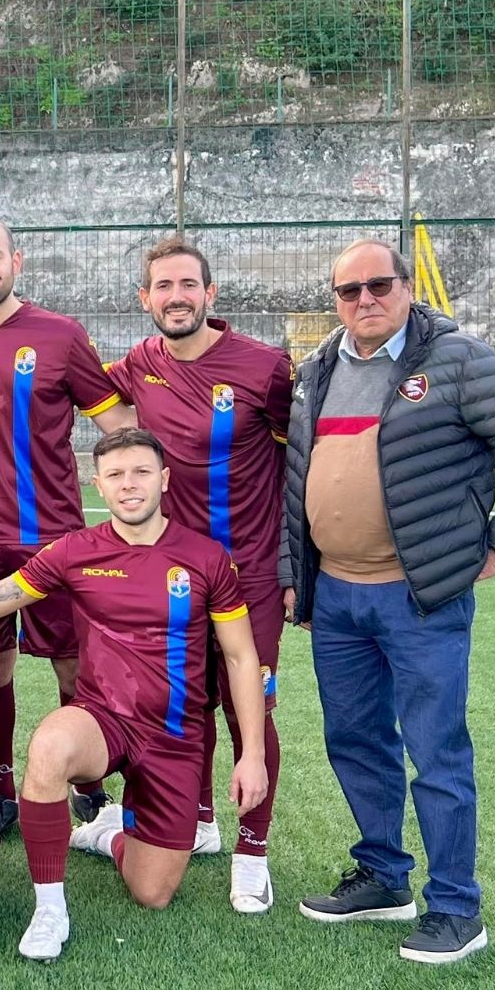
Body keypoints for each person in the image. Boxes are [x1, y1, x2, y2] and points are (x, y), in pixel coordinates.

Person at [284, 239, 495, 964]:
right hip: (339, 598)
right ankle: (383, 877)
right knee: (354, 741)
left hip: (420, 600)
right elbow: (297, 482)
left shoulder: (458, 361)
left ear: (407, 287)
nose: (364, 300)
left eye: (378, 285)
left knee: (436, 752)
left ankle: (456, 909)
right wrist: (301, 572)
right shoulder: (317, 371)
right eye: (348, 291)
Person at [0, 427, 267, 961]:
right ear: (99, 486)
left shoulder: (206, 558)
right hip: (103, 722)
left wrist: (253, 756)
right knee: (51, 745)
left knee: (153, 894)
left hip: (175, 738)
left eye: (142, 473)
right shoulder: (75, 551)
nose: (130, 486)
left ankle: (107, 834)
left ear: (165, 480)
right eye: (116, 476)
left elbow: (242, 658)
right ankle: (49, 909)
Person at [103, 236, 293, 912]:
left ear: (210, 294)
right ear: (144, 298)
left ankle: (254, 850)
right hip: (175, 576)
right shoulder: (140, 363)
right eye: (162, 286)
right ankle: (204, 822)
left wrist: (296, 560)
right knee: (188, 703)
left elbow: (296, 468)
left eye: (188, 285)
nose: (175, 297)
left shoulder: (265, 368)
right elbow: (78, 385)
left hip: (250, 575)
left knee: (253, 710)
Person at [0, 216, 134, 835]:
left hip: (51, 533)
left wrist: (133, 491)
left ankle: (90, 786)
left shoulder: (61, 334)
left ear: (17, 261)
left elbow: (119, 424)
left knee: (73, 665)